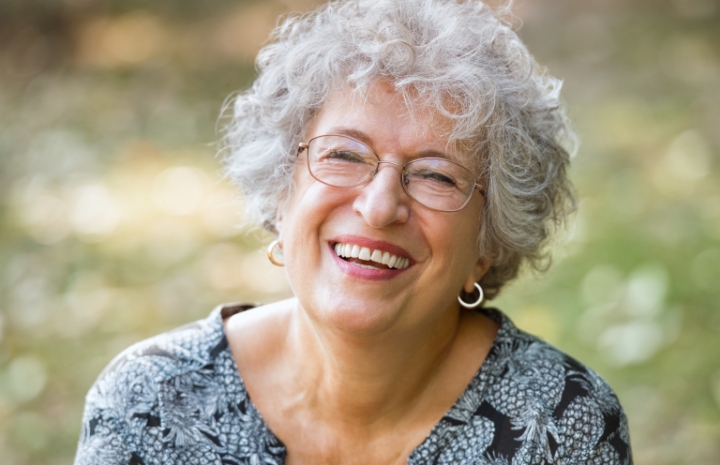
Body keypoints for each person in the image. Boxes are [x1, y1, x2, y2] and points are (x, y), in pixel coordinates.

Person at [74, 0, 632, 464]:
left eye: (436, 175)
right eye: (344, 154)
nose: (380, 205)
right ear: (281, 193)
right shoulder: (148, 406)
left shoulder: (562, 429)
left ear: (487, 247)